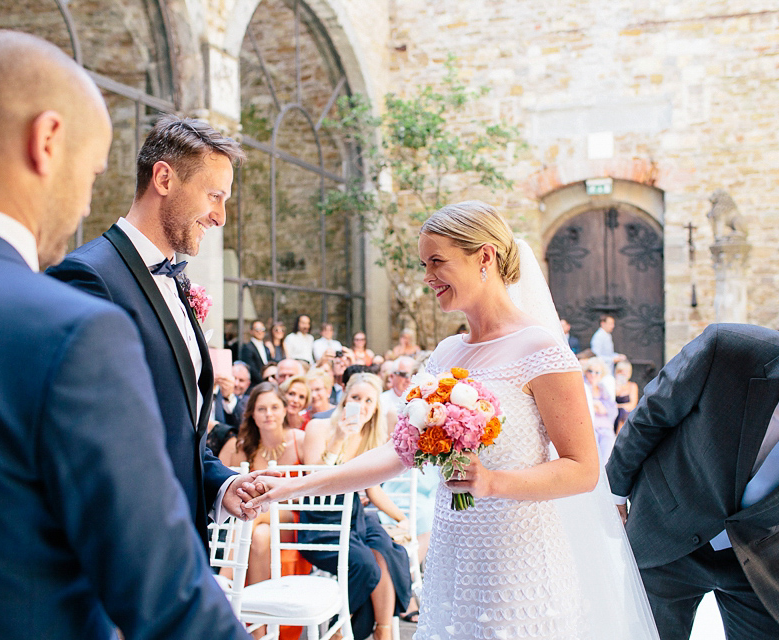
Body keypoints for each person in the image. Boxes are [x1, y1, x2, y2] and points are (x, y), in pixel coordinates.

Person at [0, 30, 259, 639]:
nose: (83, 202)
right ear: (47, 140)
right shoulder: (69, 326)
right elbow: (166, 597)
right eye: (93, 168)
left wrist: (217, 480)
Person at [242, 200, 659, 639]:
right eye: (424, 264)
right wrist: (294, 484)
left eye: (437, 261)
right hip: (453, 557)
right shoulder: (445, 354)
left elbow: (583, 469)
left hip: (518, 562)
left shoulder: (540, 350)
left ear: (484, 256)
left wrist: (493, 483)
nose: (427, 277)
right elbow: (397, 451)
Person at [606, 303, 779, 640]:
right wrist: (614, 496)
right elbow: (652, 417)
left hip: (769, 556)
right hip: (669, 529)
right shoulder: (728, 350)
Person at [48, 113, 249, 547]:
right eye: (215, 195)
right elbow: (86, 444)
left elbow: (175, 426)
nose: (221, 216)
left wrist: (220, 483)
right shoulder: (88, 278)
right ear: (163, 178)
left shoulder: (174, 279)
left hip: (181, 538)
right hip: (129, 549)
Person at [301, 373, 412, 640]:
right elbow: (313, 483)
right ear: (344, 398)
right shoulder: (319, 428)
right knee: (366, 564)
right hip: (321, 516)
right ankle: (341, 627)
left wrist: (401, 518)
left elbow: (372, 489)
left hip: (356, 515)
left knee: (386, 551)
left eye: (368, 401)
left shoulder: (370, 436)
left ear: (375, 407)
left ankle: (382, 632)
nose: (361, 406)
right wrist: (338, 438)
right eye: (355, 398)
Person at [217, 383, 304, 590]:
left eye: (274, 407)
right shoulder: (242, 447)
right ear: (252, 415)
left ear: (284, 410)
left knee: (255, 513)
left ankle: (224, 578)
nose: (268, 414)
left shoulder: (300, 440)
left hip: (293, 516)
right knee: (261, 534)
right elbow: (221, 484)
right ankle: (259, 619)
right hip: (256, 519)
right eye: (261, 409)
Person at [583, 356, 618, 463]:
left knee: (606, 458)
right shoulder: (583, 386)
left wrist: (602, 407)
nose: (593, 374)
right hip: (589, 427)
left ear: (601, 374)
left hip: (605, 427)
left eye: (597, 372)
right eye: (590, 371)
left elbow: (612, 409)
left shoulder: (603, 388)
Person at [240, 319, 271, 383]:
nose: (260, 332)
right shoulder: (247, 347)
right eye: (257, 329)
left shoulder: (266, 348)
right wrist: (263, 381)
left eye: (262, 329)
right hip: (255, 383)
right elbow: (251, 369)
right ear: (251, 331)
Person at [614, 359, 639, 432]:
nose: (623, 374)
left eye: (626, 372)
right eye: (621, 371)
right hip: (614, 414)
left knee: (622, 412)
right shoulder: (613, 385)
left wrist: (619, 406)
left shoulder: (632, 386)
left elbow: (632, 405)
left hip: (625, 414)